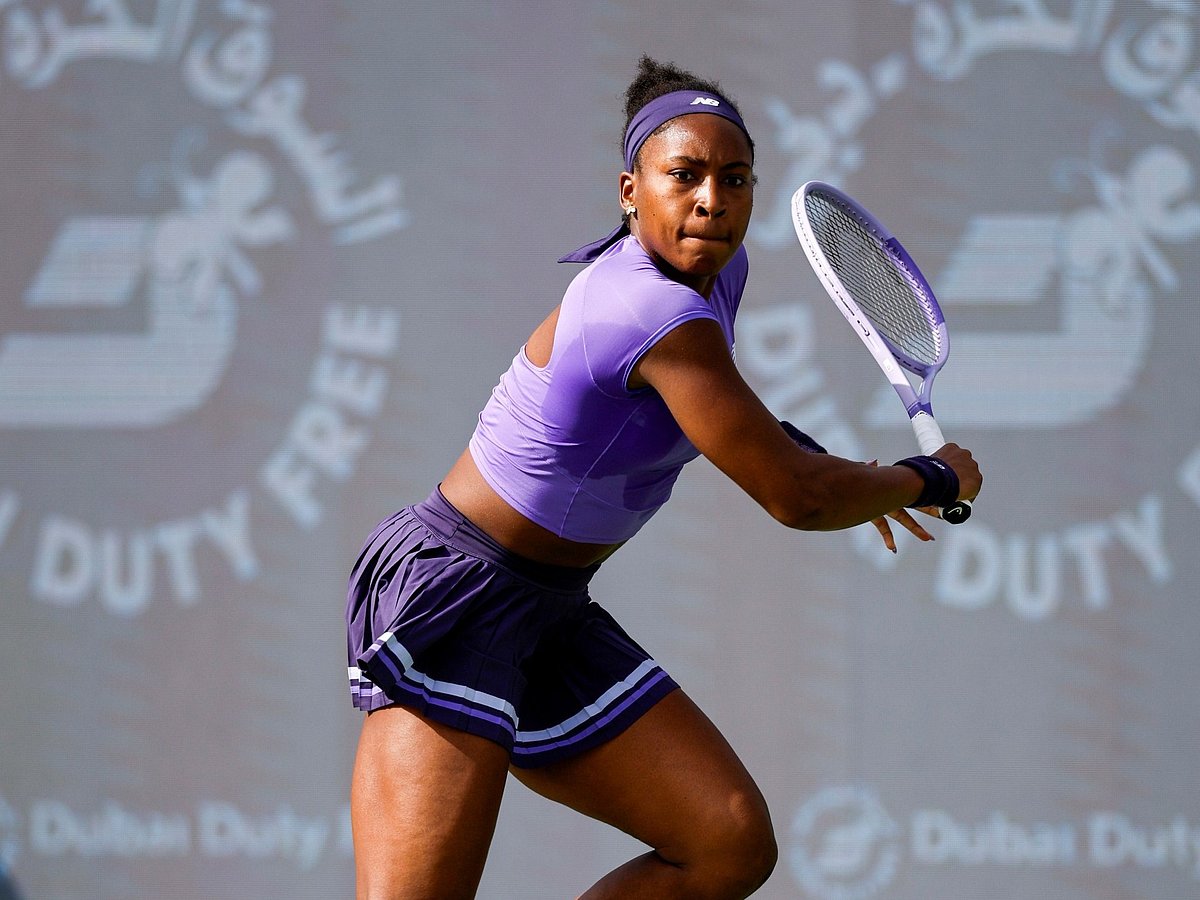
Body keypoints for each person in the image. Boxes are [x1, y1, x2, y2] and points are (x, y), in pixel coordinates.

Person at [345, 55, 981, 899]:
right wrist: (929, 476)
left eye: (735, 178)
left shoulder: (720, 276)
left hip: (551, 610)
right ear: (629, 190)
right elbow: (794, 496)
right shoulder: (653, 308)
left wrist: (852, 475)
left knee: (725, 841)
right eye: (684, 176)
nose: (712, 200)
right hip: (457, 597)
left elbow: (727, 421)